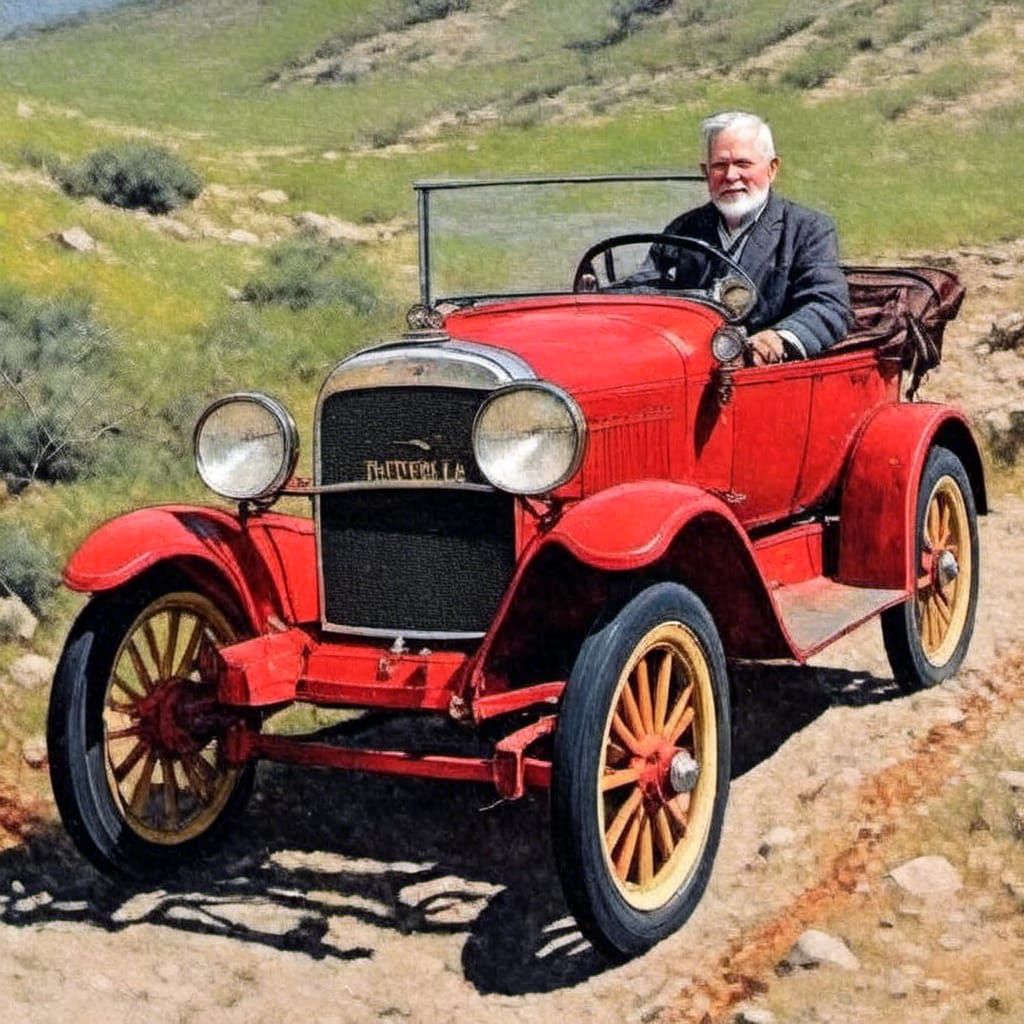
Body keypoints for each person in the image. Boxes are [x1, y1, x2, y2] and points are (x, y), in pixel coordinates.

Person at [654, 111, 851, 365]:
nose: (731, 175)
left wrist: (776, 340)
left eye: (743, 164)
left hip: (765, 379)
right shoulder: (682, 230)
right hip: (686, 366)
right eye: (719, 165)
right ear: (706, 172)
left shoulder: (808, 229)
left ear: (772, 168)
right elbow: (647, 283)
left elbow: (828, 306)